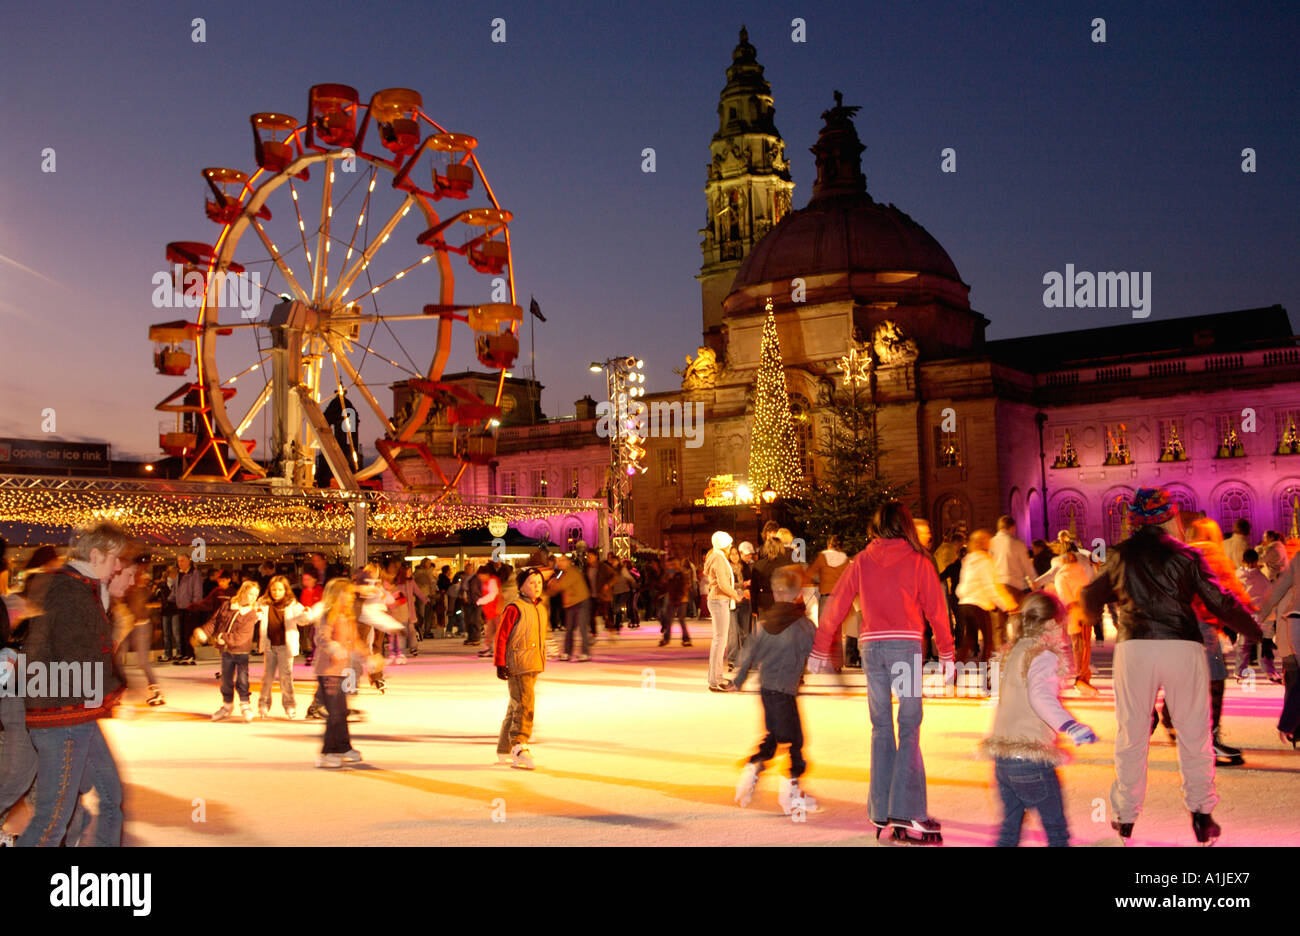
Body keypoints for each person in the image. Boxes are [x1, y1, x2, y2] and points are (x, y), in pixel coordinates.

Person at [1082, 487, 1259, 845]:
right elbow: (1219, 600)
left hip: (1135, 648)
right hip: (1181, 645)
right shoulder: (1187, 555)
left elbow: (1089, 594)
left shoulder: (1121, 554)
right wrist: (1254, 631)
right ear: (1168, 516)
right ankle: (1202, 813)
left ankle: (1125, 816)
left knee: (1132, 732)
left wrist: (1091, 616)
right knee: (1194, 732)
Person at [809, 501, 955, 844]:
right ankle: (907, 810)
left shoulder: (862, 560)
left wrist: (820, 645)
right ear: (905, 525)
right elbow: (937, 609)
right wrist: (947, 652)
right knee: (909, 727)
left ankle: (881, 809)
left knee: (881, 727)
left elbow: (837, 602)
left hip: (872, 648)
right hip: (904, 648)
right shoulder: (918, 561)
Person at [17, 523, 128, 847]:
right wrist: (112, 689)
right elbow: (78, 656)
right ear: (95, 555)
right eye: (114, 559)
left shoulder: (82, 588)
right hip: (62, 716)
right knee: (52, 820)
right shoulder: (70, 591)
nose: (118, 567)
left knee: (110, 795)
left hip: (77, 713)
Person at [980, 592, 1098, 846]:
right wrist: (1070, 726)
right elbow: (1040, 696)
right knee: (1056, 832)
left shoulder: (1013, 653)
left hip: (1004, 762)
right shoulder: (1043, 655)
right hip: (1031, 761)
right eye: (1062, 625)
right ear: (1052, 624)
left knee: (1009, 831)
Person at [731, 566, 818, 815]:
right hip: (785, 693)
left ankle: (751, 771)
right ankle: (791, 792)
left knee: (773, 736)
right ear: (798, 594)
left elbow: (749, 653)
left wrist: (738, 679)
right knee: (795, 740)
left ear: (775, 592)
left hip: (766, 690)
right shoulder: (803, 626)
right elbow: (817, 655)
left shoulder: (764, 622)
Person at [494, 567, 550, 769]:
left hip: (533, 662)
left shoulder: (540, 608)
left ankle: (504, 748)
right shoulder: (514, 608)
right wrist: (500, 662)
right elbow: (501, 636)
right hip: (518, 664)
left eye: (539, 583)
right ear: (521, 587)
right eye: (531, 583)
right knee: (525, 704)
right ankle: (519, 744)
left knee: (516, 704)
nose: (536, 586)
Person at [312, 578, 364, 768]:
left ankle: (343, 747)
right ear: (337, 595)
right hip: (328, 671)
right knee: (335, 713)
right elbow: (321, 638)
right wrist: (333, 647)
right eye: (348, 593)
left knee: (341, 711)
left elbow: (356, 641)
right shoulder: (329, 616)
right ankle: (328, 752)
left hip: (343, 671)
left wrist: (369, 657)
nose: (352, 597)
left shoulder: (347, 617)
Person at [194, 580, 261, 722]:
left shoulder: (251, 613)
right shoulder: (227, 605)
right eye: (250, 594)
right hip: (226, 651)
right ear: (243, 592)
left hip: (241, 651)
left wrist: (223, 638)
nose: (253, 597)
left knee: (242, 679)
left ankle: (245, 705)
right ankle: (227, 705)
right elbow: (215, 621)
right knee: (226, 680)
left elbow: (243, 635)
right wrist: (205, 632)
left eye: (255, 595)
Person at [955, 530, 1017, 675]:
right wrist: (1007, 604)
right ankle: (987, 676)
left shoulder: (968, 560)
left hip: (965, 603)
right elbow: (991, 586)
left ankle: (954, 672)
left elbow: (964, 583)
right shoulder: (985, 561)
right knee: (988, 641)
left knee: (969, 639)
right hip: (979, 604)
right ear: (985, 543)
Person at [109, 551, 165, 707]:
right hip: (127, 625)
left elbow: (140, 602)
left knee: (142, 661)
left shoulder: (140, 581)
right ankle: (121, 688)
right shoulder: (128, 578)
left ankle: (155, 690)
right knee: (117, 658)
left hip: (140, 625)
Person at [257, 575, 306, 719]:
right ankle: (264, 704)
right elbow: (254, 615)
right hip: (270, 645)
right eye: (273, 589)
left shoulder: (292, 604)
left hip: (286, 646)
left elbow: (302, 619)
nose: (276, 592)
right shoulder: (263, 603)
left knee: (286, 678)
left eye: (279, 589)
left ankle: (290, 705)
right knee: (267, 678)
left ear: (285, 590)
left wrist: (306, 615)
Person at [1053, 550, 1097, 696]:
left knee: (1077, 646)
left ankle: (1080, 678)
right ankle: (1084, 677)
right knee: (1085, 645)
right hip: (1086, 609)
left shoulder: (1061, 576)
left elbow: (1065, 597)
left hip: (1074, 612)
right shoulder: (1082, 572)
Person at [704, 530, 743, 691]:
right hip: (719, 600)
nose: (731, 546)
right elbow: (722, 583)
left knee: (719, 640)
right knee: (720, 641)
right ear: (724, 544)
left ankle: (715, 677)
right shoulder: (719, 558)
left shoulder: (716, 557)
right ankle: (715, 680)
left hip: (718, 600)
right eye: (729, 543)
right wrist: (735, 595)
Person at [991, 516, 1036, 649]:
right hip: (1013, 586)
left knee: (998, 626)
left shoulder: (990, 543)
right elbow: (1027, 566)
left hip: (996, 587)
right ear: (1012, 528)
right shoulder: (1017, 544)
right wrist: (1033, 582)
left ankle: (1000, 654)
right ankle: (1016, 652)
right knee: (1017, 623)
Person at [1236, 548, 1280, 682]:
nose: (1250, 565)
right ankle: (1268, 671)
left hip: (1251, 614)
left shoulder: (1240, 576)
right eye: (1249, 563)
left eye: (1252, 562)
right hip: (1256, 613)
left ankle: (1242, 671)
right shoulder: (1261, 578)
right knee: (1254, 643)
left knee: (1247, 644)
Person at [807, 536, 853, 664]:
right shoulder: (845, 559)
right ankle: (837, 662)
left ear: (829, 545)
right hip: (839, 597)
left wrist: (821, 578)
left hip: (826, 596)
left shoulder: (823, 557)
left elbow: (810, 573)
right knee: (837, 630)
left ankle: (824, 660)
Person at [547, 555, 591, 661]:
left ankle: (585, 653)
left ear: (568, 562)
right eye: (559, 561)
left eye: (562, 561)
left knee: (582, 628)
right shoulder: (563, 573)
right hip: (571, 604)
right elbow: (557, 586)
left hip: (581, 602)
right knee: (569, 629)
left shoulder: (572, 571)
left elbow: (561, 585)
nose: (559, 563)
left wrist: (549, 588)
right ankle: (567, 652)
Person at [171, 552, 205, 665]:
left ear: (188, 561)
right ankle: (183, 653)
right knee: (181, 632)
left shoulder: (194, 574)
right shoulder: (179, 574)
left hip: (190, 608)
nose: (180, 563)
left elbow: (197, 591)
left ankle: (190, 654)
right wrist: (171, 600)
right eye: (179, 561)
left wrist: (194, 605)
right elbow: (175, 590)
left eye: (182, 561)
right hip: (180, 607)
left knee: (188, 632)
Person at [657, 558, 691, 645]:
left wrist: (679, 598)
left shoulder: (682, 574)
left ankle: (686, 639)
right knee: (669, 619)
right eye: (668, 565)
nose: (669, 567)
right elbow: (664, 584)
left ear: (675, 565)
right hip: (672, 598)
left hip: (682, 599)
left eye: (670, 565)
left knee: (681, 619)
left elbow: (684, 587)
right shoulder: (669, 574)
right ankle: (666, 638)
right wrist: (668, 578)